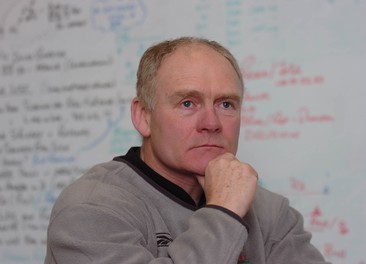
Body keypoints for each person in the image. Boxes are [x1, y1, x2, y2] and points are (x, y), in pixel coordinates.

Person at [45, 36, 330, 264]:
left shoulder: (268, 211)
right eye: (187, 104)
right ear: (144, 116)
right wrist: (224, 212)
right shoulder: (90, 209)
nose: (211, 123)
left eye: (226, 104)